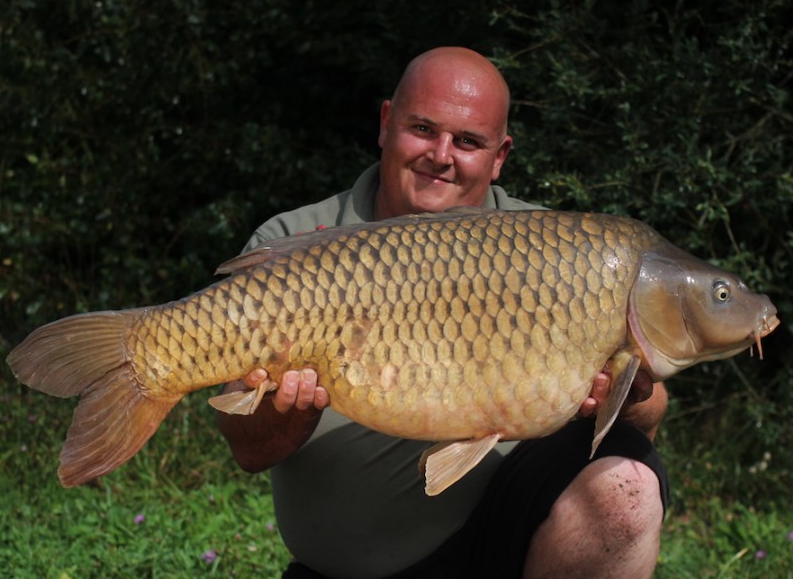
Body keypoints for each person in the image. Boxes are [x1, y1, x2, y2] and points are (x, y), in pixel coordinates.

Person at [218, 47, 669, 579]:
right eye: (424, 129)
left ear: (500, 156)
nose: (442, 154)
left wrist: (623, 397)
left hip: (511, 545)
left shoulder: (561, 252)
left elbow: (648, 411)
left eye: (468, 141)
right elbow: (246, 448)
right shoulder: (292, 245)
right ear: (386, 123)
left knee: (626, 487)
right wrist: (289, 413)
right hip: (345, 567)